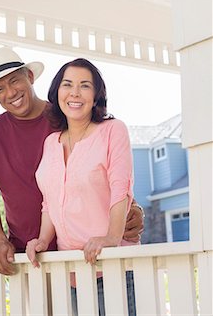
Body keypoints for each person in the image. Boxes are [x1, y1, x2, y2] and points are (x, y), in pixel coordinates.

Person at [0, 47, 143, 279]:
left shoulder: (69, 113)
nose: (11, 92)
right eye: (0, 88)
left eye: (15, 81)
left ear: (30, 77)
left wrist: (131, 210)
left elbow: (113, 170)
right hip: (31, 253)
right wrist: (0, 241)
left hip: (88, 251)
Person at [26, 58, 139, 315]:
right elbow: (50, 201)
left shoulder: (113, 130)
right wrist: (43, 240)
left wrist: (111, 237)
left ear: (96, 96)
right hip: (72, 273)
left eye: (85, 86)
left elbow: (121, 188)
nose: (75, 93)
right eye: (68, 84)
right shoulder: (51, 142)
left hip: (113, 269)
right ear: (57, 93)